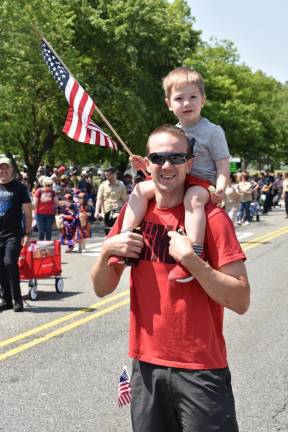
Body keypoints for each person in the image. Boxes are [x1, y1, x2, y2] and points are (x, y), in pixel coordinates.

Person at [91, 125, 250, 432]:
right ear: (146, 164)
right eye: (158, 157)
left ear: (190, 163)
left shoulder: (212, 219)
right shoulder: (134, 216)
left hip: (200, 369)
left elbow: (241, 300)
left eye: (176, 157)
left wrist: (192, 260)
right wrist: (105, 251)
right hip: (146, 367)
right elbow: (101, 288)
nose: (166, 165)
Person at [112, 67, 230, 283]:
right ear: (169, 104)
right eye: (179, 98)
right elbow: (163, 166)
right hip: (177, 179)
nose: (186, 103)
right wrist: (145, 166)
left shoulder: (213, 131)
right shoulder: (172, 132)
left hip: (201, 182)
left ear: (203, 100)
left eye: (193, 97)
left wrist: (221, 188)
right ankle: (126, 240)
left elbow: (223, 165)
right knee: (139, 189)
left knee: (192, 200)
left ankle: (193, 254)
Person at [0, 157, 32, 312]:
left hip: (13, 234)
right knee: (0, 266)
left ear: (12, 169)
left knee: (9, 263)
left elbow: (27, 211)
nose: (3, 171)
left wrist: (27, 233)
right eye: (0, 168)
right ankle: (6, 300)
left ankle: (17, 299)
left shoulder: (19, 188)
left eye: (6, 168)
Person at [94, 166, 128, 234]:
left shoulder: (121, 185)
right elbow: (99, 199)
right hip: (107, 212)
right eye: (106, 175)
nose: (107, 177)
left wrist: (127, 212)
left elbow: (125, 200)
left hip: (117, 212)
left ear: (114, 174)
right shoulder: (102, 185)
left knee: (117, 232)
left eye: (109, 175)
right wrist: (97, 211)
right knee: (108, 232)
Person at [33, 176, 58, 240]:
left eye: (51, 185)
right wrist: (33, 214)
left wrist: (56, 207)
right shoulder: (39, 191)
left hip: (50, 213)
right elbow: (35, 203)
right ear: (44, 185)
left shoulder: (53, 192)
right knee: (41, 230)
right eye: (48, 185)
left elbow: (56, 202)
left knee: (48, 230)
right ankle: (40, 246)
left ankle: (48, 246)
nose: (50, 186)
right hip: (39, 214)